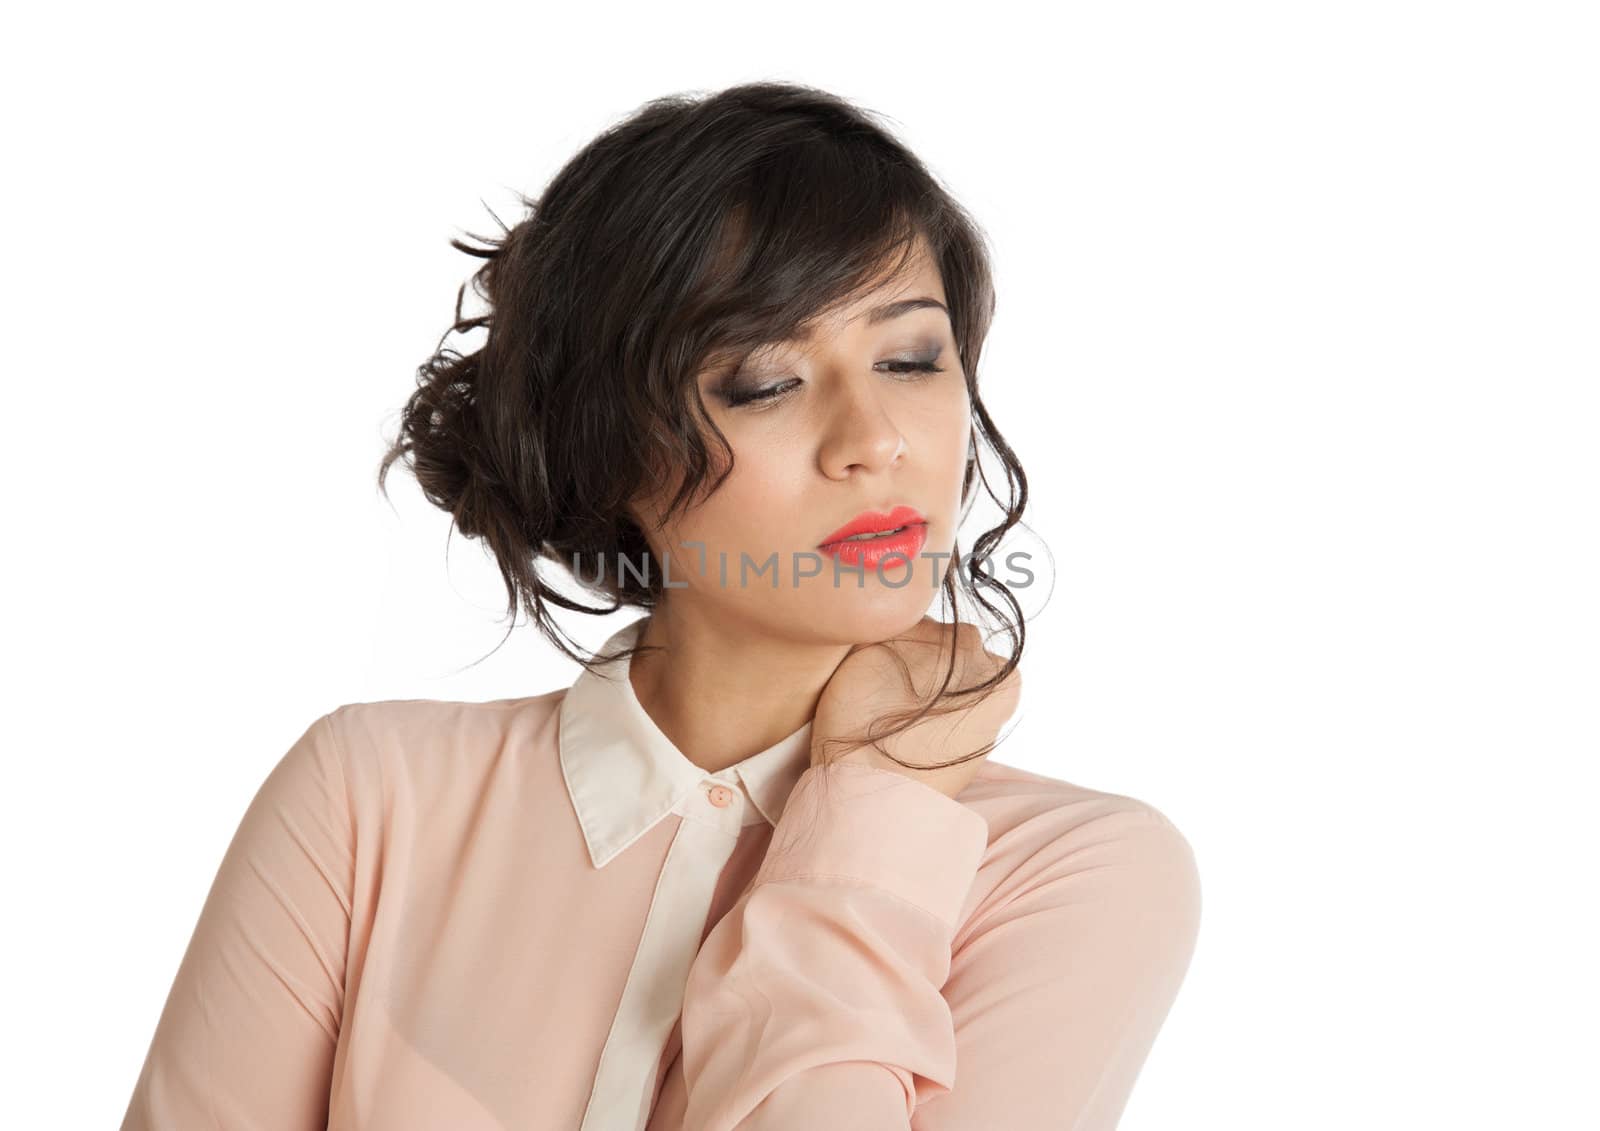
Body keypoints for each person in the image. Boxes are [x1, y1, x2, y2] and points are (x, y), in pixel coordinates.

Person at [119, 80, 1201, 1131]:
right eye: (766, 382)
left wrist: (874, 817)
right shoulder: (373, 802)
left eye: (911, 357)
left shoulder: (1078, 874)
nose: (876, 438)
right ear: (610, 445)